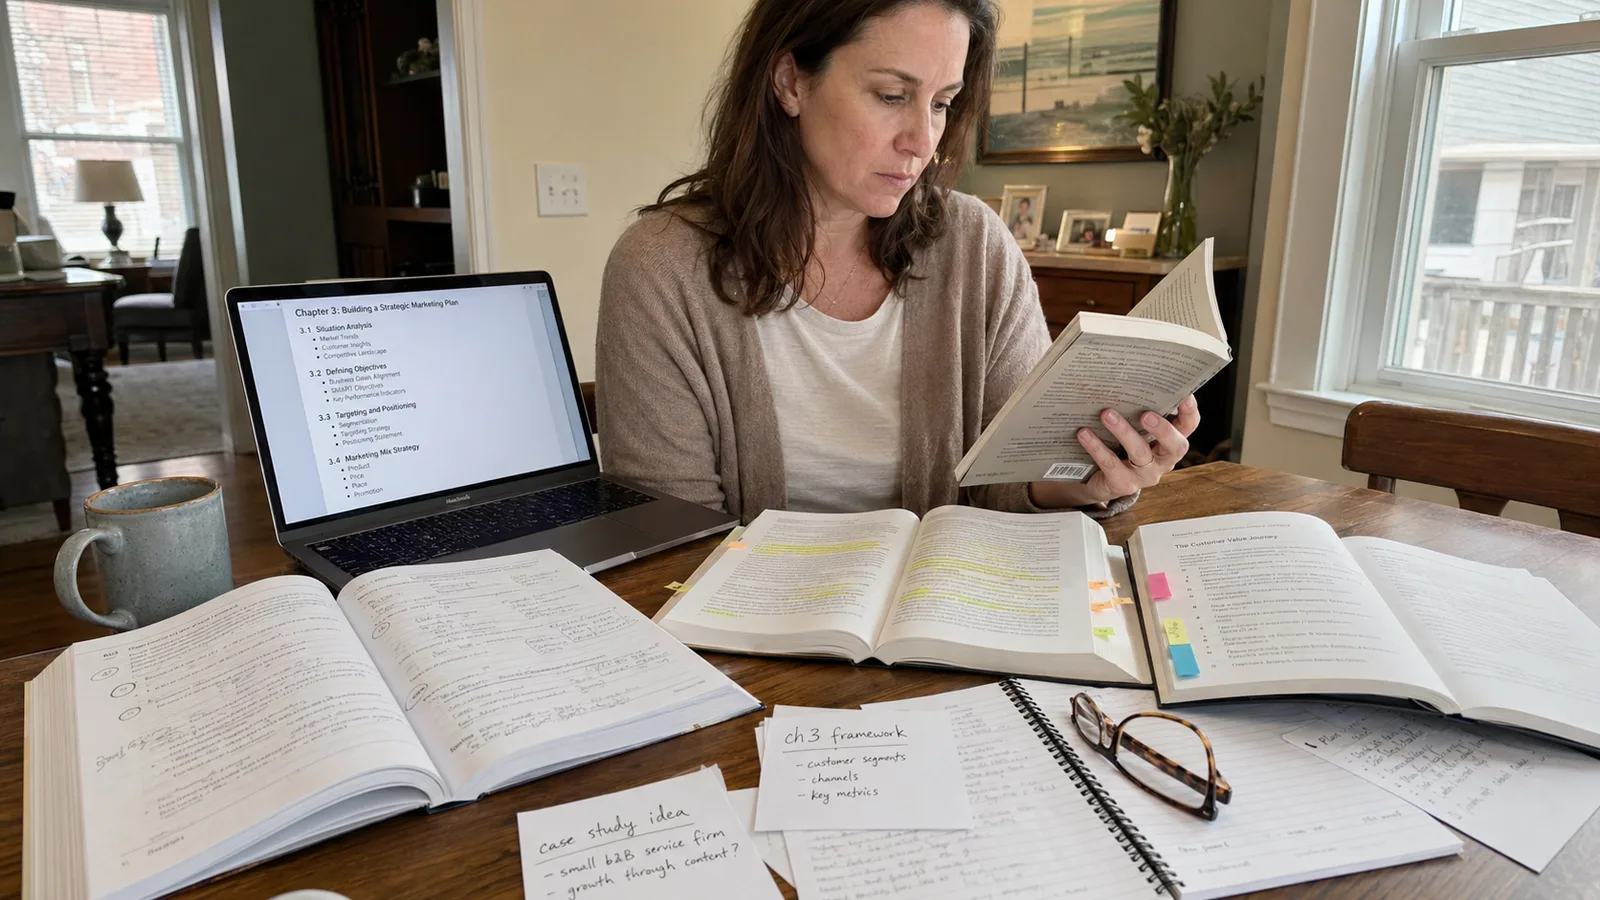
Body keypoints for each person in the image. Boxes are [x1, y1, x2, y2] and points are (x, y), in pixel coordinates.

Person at [596, 0, 1198, 523]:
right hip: (743, 640)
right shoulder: (662, 267)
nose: (921, 141)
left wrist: (1084, 478)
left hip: (946, 621)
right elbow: (672, 538)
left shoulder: (976, 246)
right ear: (790, 82)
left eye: (941, 104)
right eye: (891, 96)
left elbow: (1010, 484)